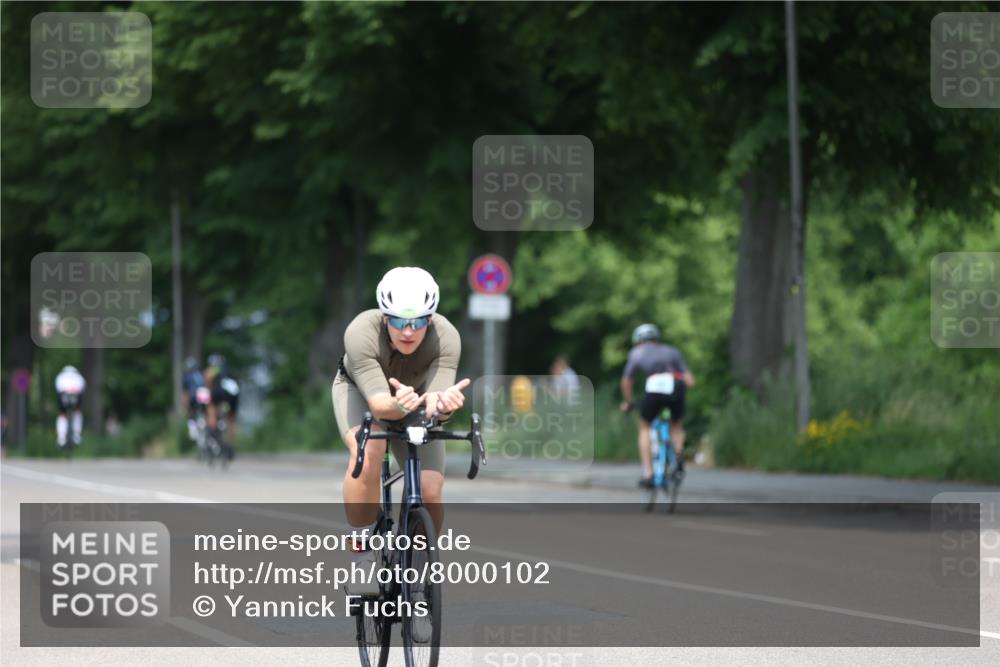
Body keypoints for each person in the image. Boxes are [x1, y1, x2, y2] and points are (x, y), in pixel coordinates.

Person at [332, 267, 470, 598]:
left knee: (430, 487)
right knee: (368, 454)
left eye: (419, 322)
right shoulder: (360, 332)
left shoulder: (447, 337)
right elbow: (381, 406)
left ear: (430, 319)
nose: (408, 332)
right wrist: (402, 404)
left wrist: (445, 406)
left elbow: (435, 400)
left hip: (415, 401)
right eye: (398, 321)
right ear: (384, 318)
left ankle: (419, 569)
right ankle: (362, 556)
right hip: (362, 394)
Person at [620, 323, 695, 487]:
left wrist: (629, 402)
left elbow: (627, 380)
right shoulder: (672, 351)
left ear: (638, 340)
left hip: (655, 387)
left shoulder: (637, 352)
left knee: (645, 426)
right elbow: (690, 381)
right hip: (676, 386)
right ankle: (679, 455)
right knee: (676, 424)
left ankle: (648, 473)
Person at [205, 353, 239, 453]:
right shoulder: (229, 370)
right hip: (233, 396)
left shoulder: (212, 369)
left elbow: (208, 381)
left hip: (219, 394)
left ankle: (212, 432)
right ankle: (231, 445)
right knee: (232, 420)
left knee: (211, 407)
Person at [55, 365, 86, 448]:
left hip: (63, 396)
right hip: (76, 397)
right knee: (78, 412)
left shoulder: (60, 377)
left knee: (62, 414)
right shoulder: (79, 377)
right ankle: (76, 435)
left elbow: (58, 390)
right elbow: (82, 390)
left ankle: (61, 438)